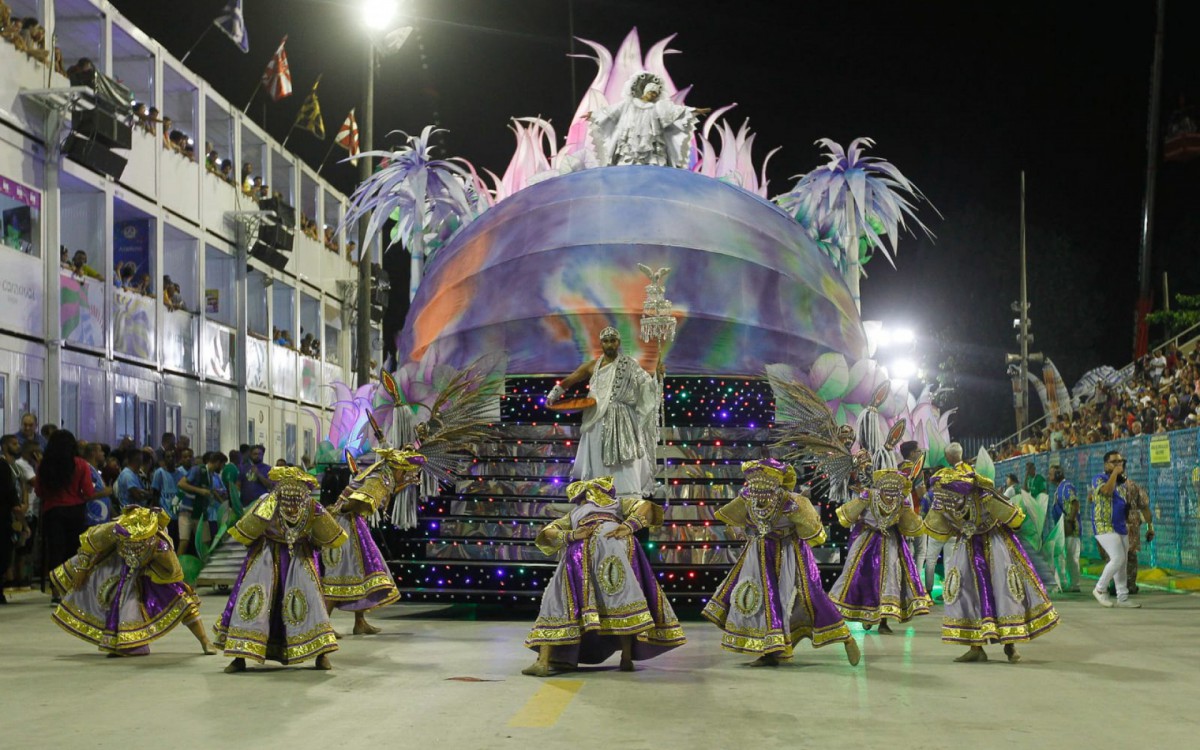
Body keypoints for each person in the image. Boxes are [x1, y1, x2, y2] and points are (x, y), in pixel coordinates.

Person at [702, 460, 860, 667]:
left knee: (810, 596)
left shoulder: (792, 501)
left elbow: (813, 532)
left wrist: (794, 520)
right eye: (755, 485)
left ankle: (845, 637)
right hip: (758, 553)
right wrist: (742, 530)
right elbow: (735, 517)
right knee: (761, 599)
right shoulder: (748, 497)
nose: (759, 491)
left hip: (790, 553)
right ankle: (771, 650)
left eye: (765, 486)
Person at [523, 476, 685, 676]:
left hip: (583, 548)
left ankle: (544, 661)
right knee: (623, 598)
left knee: (558, 599)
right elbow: (645, 506)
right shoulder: (616, 504)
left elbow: (548, 532)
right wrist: (630, 526)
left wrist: (571, 536)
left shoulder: (576, 513)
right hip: (617, 542)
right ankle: (626, 657)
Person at [214, 467, 348, 673]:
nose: (291, 502)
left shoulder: (302, 506)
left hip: (287, 557)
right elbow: (329, 537)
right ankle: (240, 655)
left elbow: (246, 532)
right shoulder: (288, 504)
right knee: (264, 604)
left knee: (307, 603)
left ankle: (320, 653)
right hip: (276, 558)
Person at [923, 463, 1059, 663]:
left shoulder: (984, 496)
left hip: (995, 546)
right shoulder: (944, 501)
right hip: (967, 548)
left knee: (1003, 590)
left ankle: (1010, 644)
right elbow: (938, 527)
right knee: (965, 592)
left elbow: (1015, 519)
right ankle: (975, 647)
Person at [50, 506, 215, 656]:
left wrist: (155, 568)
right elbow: (90, 543)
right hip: (119, 568)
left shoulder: (161, 546)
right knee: (118, 601)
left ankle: (204, 641)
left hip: (152, 572)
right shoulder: (116, 529)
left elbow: (174, 573)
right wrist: (82, 568)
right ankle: (124, 644)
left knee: (181, 598)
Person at [546, 326, 661, 500]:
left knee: (626, 457)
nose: (609, 344)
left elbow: (646, 385)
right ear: (601, 343)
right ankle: (601, 494)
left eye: (613, 341)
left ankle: (628, 497)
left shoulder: (630, 364)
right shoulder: (592, 365)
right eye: (606, 341)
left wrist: (657, 378)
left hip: (624, 418)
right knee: (598, 455)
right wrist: (554, 394)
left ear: (618, 343)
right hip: (597, 418)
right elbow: (571, 379)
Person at [322, 448, 425, 635]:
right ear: (398, 469)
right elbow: (356, 501)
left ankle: (360, 622)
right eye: (406, 472)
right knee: (341, 573)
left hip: (354, 521)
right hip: (346, 522)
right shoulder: (381, 478)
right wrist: (340, 510)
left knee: (365, 570)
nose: (406, 476)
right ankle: (323, 625)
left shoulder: (381, 473)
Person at [828, 467, 931, 634]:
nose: (890, 492)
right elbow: (847, 515)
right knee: (862, 577)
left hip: (888, 542)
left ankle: (881, 619)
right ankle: (868, 615)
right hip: (868, 542)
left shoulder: (899, 500)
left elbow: (910, 525)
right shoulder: (870, 496)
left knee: (888, 580)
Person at [585, 71, 709, 167]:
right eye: (651, 92)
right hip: (631, 140)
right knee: (628, 156)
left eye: (655, 93)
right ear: (645, 91)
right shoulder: (629, 104)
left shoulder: (657, 107)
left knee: (653, 156)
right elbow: (611, 112)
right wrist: (594, 114)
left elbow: (675, 111)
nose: (653, 95)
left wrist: (695, 110)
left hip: (651, 140)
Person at [34, 430, 94, 595]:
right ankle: (72, 587)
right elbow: (88, 491)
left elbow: (39, 491)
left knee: (55, 550)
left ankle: (55, 589)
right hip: (75, 511)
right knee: (74, 551)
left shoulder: (44, 466)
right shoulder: (81, 464)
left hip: (53, 512)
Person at [1089, 450, 1141, 608]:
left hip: (1120, 526)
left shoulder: (1122, 484)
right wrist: (1115, 474)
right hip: (1104, 525)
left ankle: (1122, 598)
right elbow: (1106, 491)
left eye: (1121, 462)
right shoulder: (1099, 478)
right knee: (1117, 558)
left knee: (1122, 562)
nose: (1119, 464)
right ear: (1106, 465)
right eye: (1115, 462)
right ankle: (1100, 589)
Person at [922, 442, 969, 598]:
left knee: (930, 560)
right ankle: (949, 593)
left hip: (937, 526)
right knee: (950, 561)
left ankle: (927, 592)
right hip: (957, 526)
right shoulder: (970, 473)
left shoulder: (942, 478)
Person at [1117, 477, 1154, 595]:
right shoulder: (1134, 485)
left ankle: (1118, 584)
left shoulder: (1108, 485)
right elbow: (1145, 507)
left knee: (1116, 555)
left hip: (1116, 524)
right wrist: (1150, 528)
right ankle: (1130, 585)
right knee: (1131, 555)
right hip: (1132, 524)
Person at [1048, 465, 1081, 592]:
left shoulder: (1066, 487)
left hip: (1070, 528)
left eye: (1051, 474)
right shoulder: (1061, 488)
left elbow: (1075, 503)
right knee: (1062, 556)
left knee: (1071, 557)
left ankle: (1074, 584)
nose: (1049, 477)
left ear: (1057, 474)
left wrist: (1070, 521)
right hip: (1062, 528)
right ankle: (1066, 583)